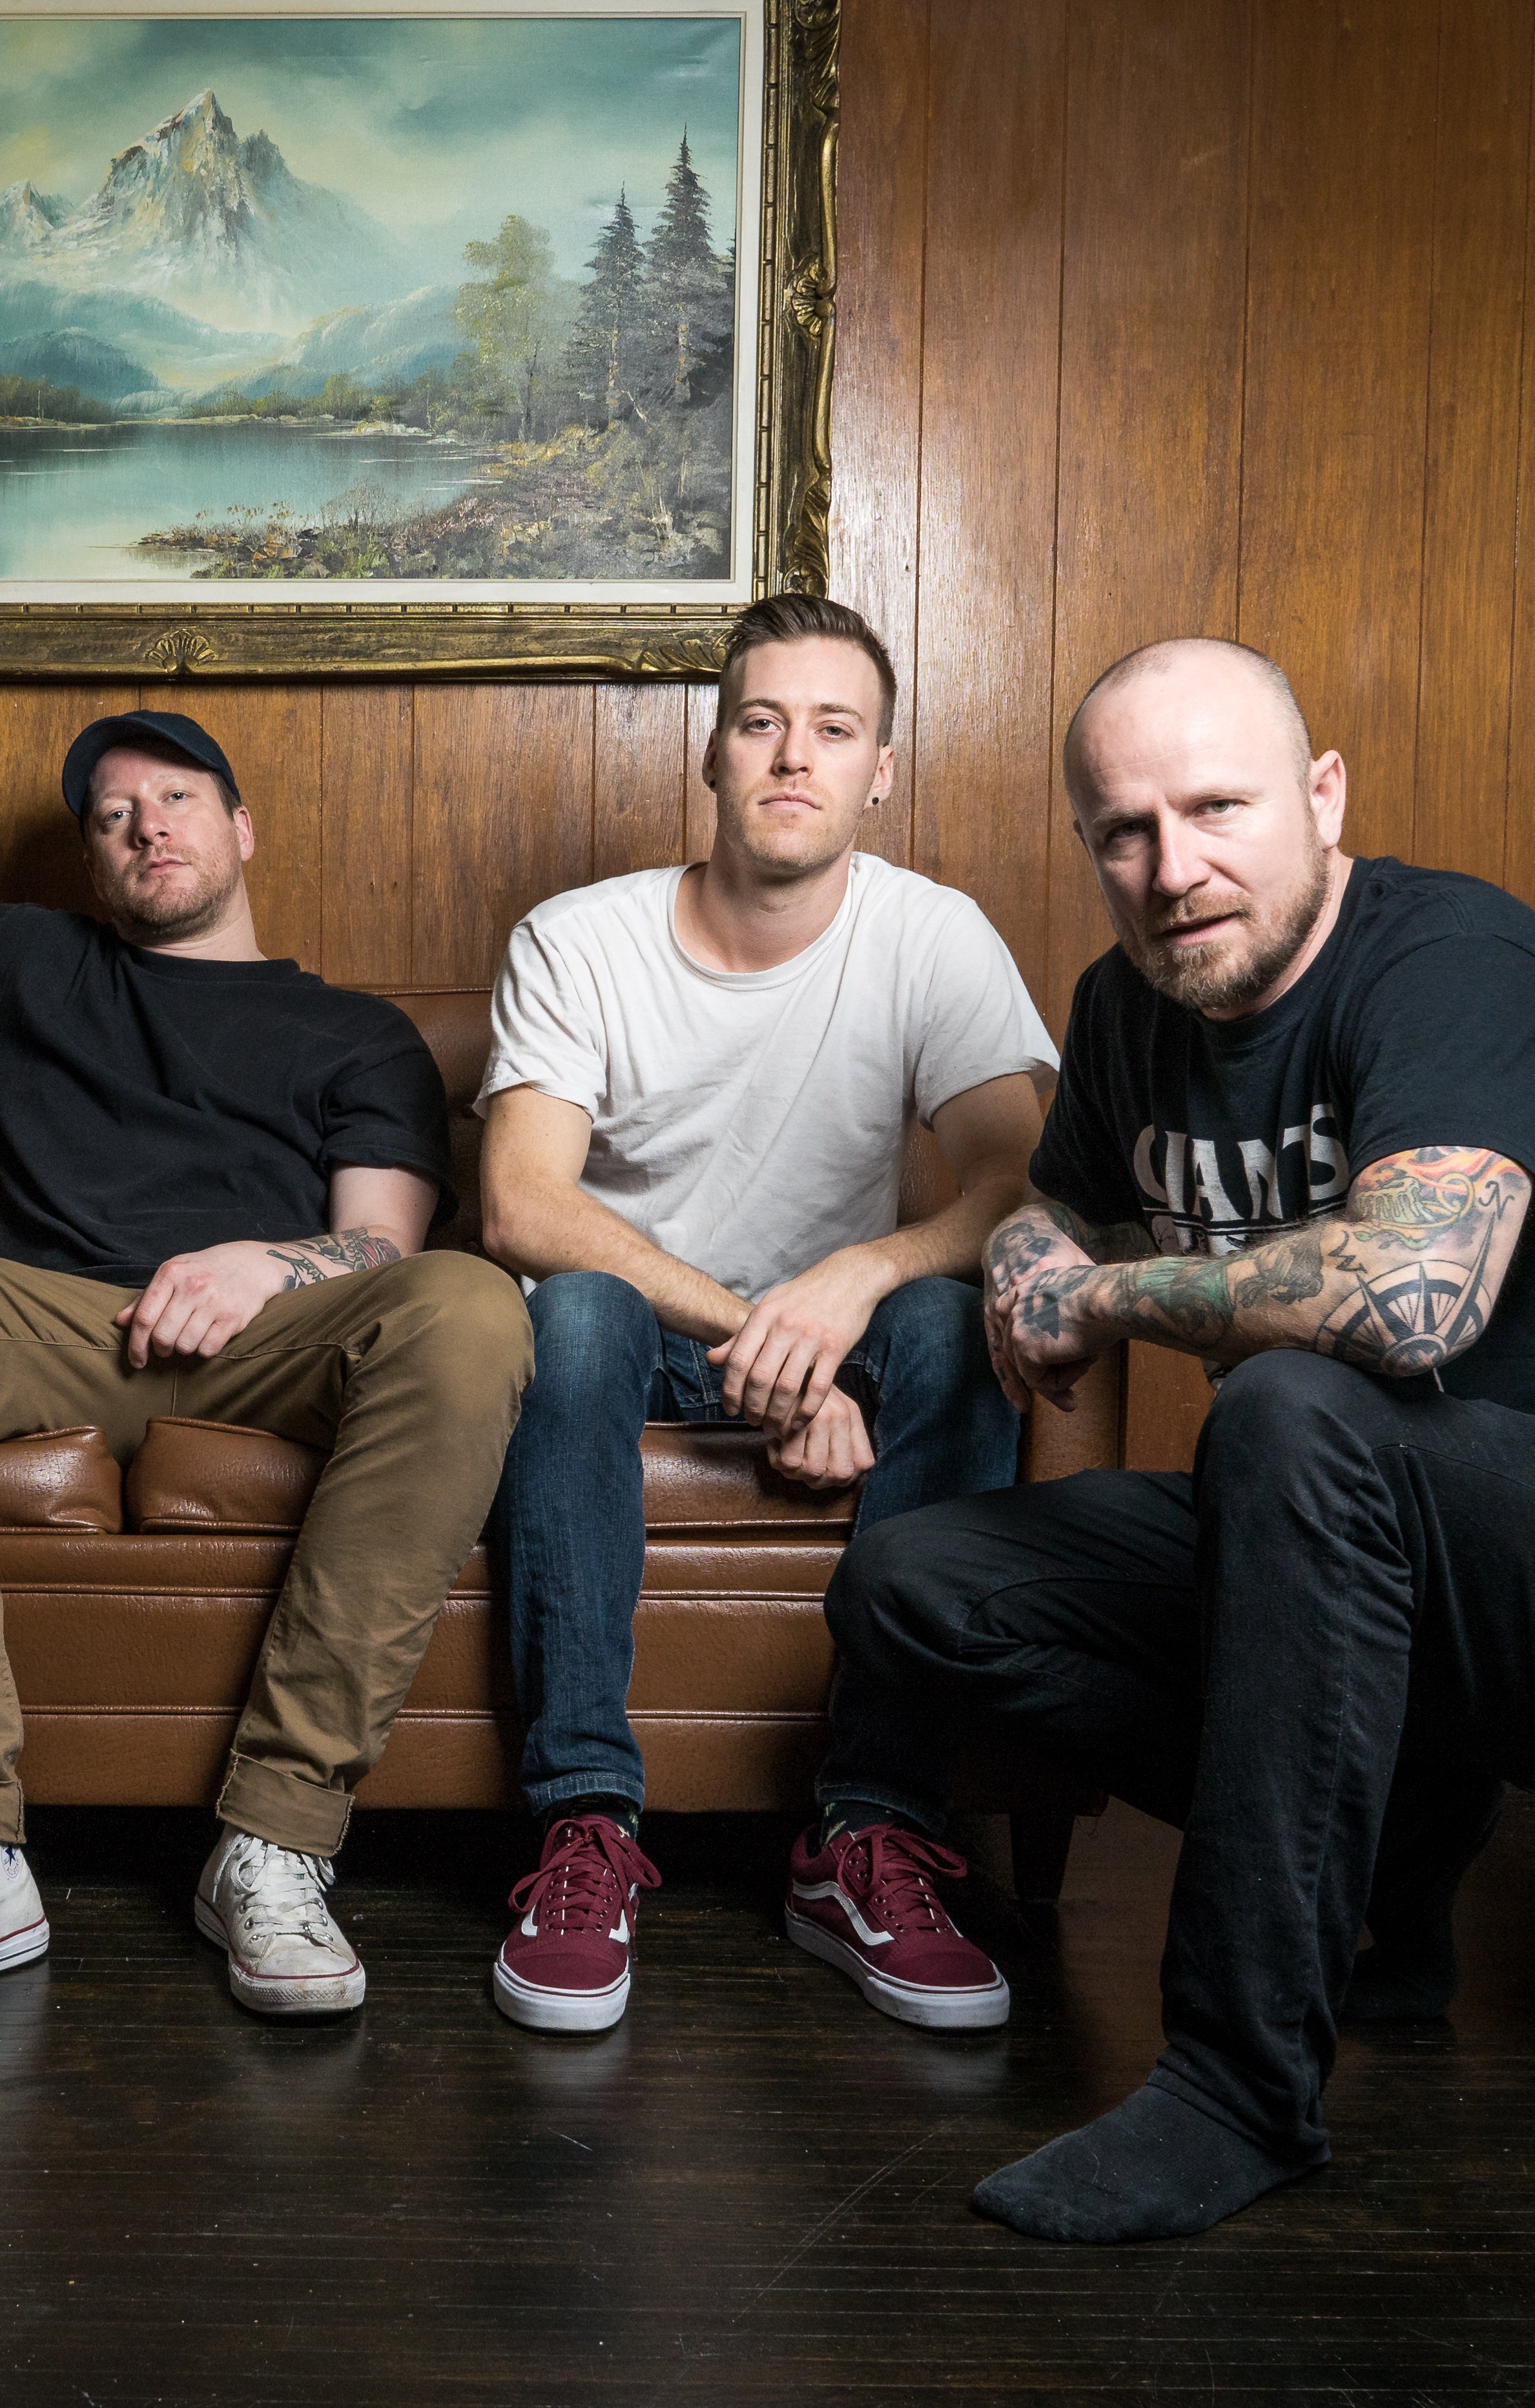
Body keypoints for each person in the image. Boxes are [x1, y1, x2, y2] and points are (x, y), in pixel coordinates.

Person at [821, 637, 1535, 2241]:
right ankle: (1393, 1855)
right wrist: (1025, 1271)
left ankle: (1234, 2087)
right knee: (916, 1583)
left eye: (1216, 808)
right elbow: (1048, 1206)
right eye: (1123, 831)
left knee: (1291, 1408)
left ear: (1321, 795)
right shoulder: (1127, 1004)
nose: (1173, 871)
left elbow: (1408, 1302)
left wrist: (1108, 1295)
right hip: (1359, 1564)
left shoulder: (1457, 966)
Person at [0, 710, 533, 2033]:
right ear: (92, 860)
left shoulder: (353, 1032)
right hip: (57, 1326)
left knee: (470, 1304)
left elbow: (383, 1243)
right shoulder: (9, 959)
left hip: (273, 1342)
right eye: (114, 814)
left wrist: (265, 1264)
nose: (147, 826)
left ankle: (276, 1841)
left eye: (177, 797)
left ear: (241, 828)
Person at [475, 591, 1055, 2034]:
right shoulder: (580, 937)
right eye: (761, 722)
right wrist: (769, 1343)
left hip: (841, 1333)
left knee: (951, 1326)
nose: (794, 755)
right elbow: (524, 1206)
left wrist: (854, 1283)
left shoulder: (933, 935)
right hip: (642, 1336)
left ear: (879, 769)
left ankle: (871, 1831)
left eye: (834, 729)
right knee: (574, 1312)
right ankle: (582, 1826)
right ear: (712, 752)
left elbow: (1020, 1185)